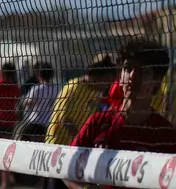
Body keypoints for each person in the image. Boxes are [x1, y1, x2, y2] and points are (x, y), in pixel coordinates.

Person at [65, 40, 176, 189]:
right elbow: (68, 169)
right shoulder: (98, 121)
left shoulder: (166, 134)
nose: (132, 76)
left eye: (145, 71)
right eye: (127, 68)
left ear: (157, 81)